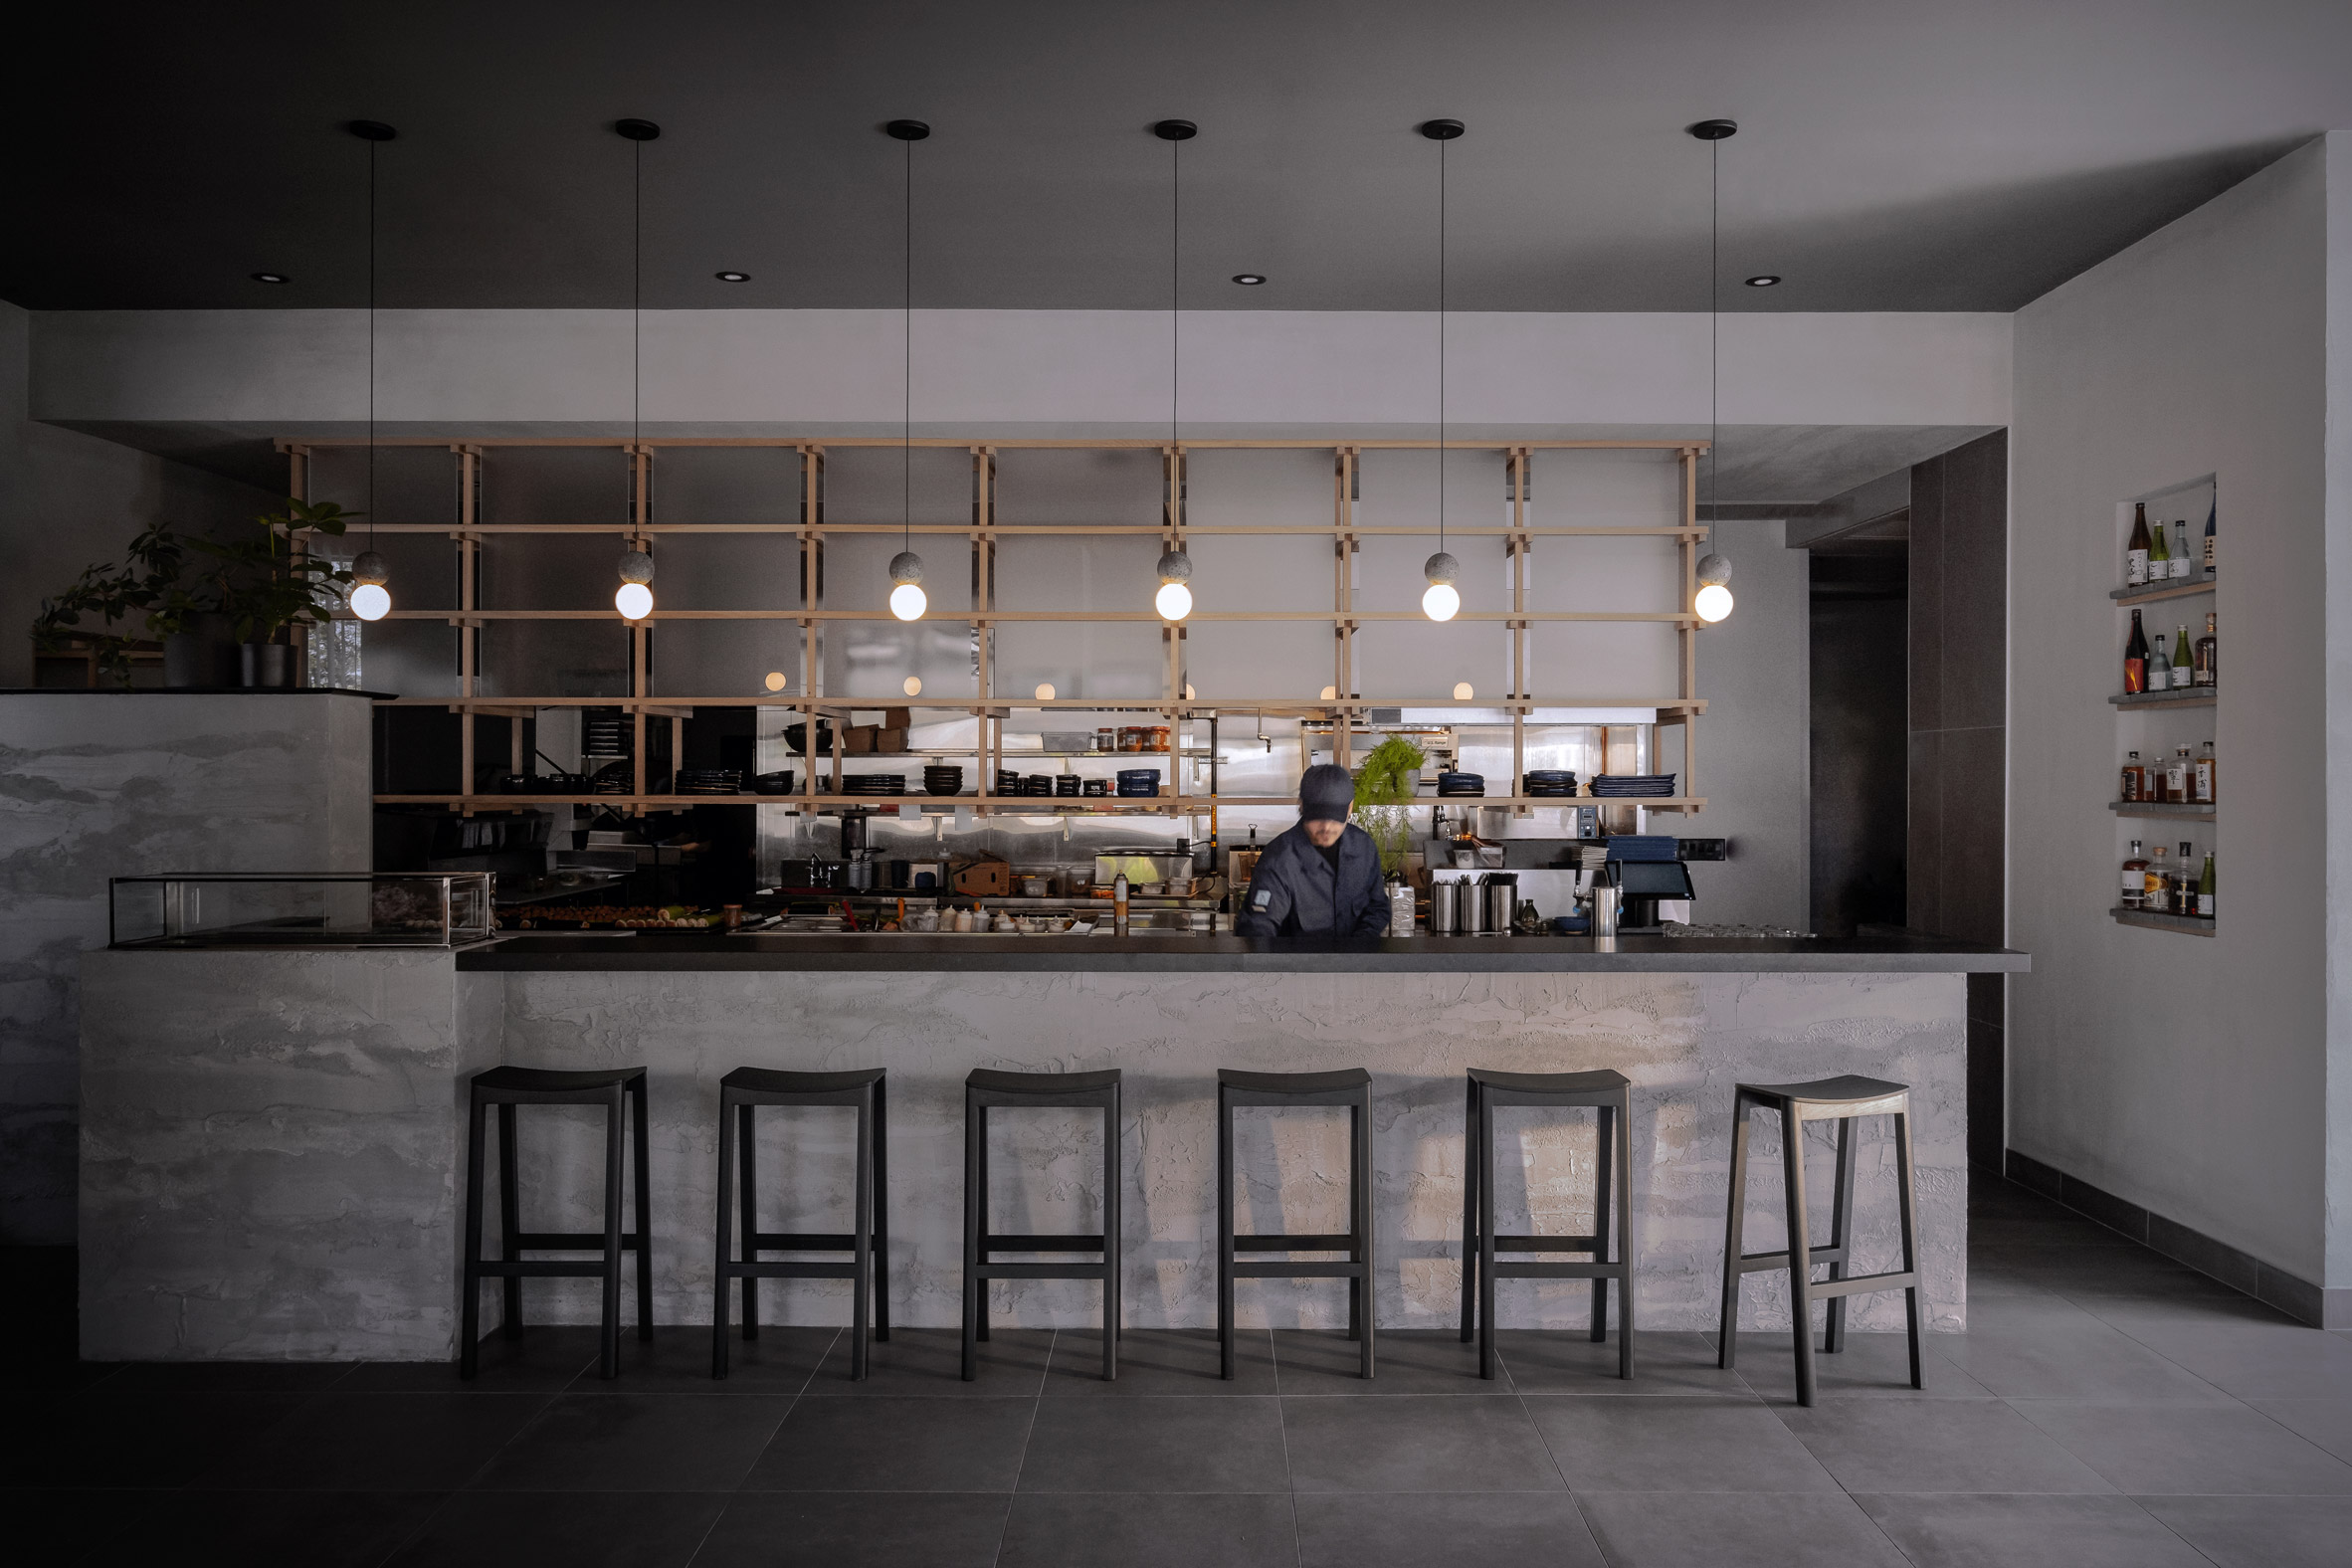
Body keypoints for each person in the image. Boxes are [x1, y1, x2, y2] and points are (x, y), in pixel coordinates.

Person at [1235, 762, 1390, 938]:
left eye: (1335, 818)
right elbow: (1258, 928)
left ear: (1349, 808)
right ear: (1301, 806)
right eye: (1317, 817)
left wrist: (1358, 947)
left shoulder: (1363, 847)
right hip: (1296, 964)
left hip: (1356, 964)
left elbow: (1378, 908)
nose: (1326, 827)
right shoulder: (1279, 859)